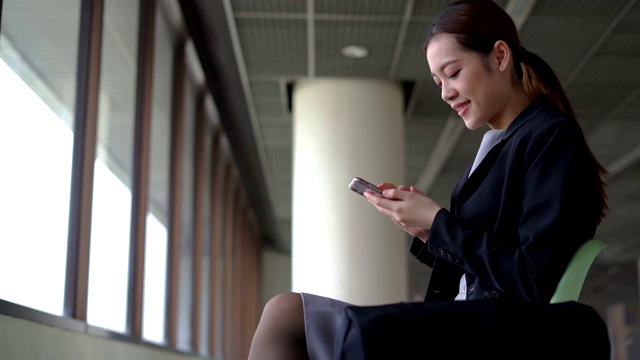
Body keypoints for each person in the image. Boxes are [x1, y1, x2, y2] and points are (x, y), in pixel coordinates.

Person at [248, 0, 609, 359]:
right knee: (285, 310)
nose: (445, 93)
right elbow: (482, 265)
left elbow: (532, 280)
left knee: (289, 317)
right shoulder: (504, 143)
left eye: (453, 73)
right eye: (438, 81)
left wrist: (438, 224)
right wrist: (426, 232)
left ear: (500, 57)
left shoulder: (548, 137)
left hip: (495, 331)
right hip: (472, 318)